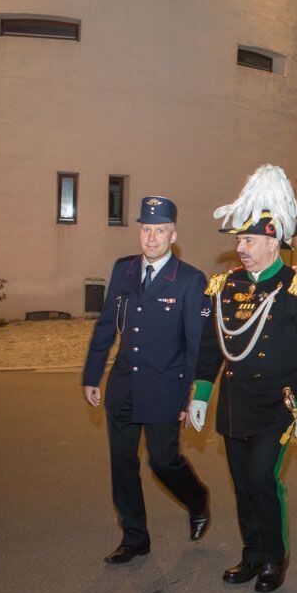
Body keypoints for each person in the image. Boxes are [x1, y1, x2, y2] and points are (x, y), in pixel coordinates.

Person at [190, 165, 297, 593]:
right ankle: (251, 554)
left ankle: (273, 557)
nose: (240, 248)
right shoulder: (225, 286)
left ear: (273, 243)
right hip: (235, 401)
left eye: (248, 241)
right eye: (239, 240)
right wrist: (200, 391)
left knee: (263, 479)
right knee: (241, 482)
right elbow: (213, 346)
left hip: (278, 404)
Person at [82, 196, 210, 565]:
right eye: (146, 229)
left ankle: (197, 498)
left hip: (165, 389)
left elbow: (195, 345)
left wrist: (191, 396)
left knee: (163, 461)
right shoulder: (123, 269)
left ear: (173, 236)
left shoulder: (189, 280)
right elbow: (107, 324)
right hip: (123, 386)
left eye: (159, 230)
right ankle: (135, 537)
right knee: (122, 464)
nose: (151, 237)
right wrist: (93, 374)